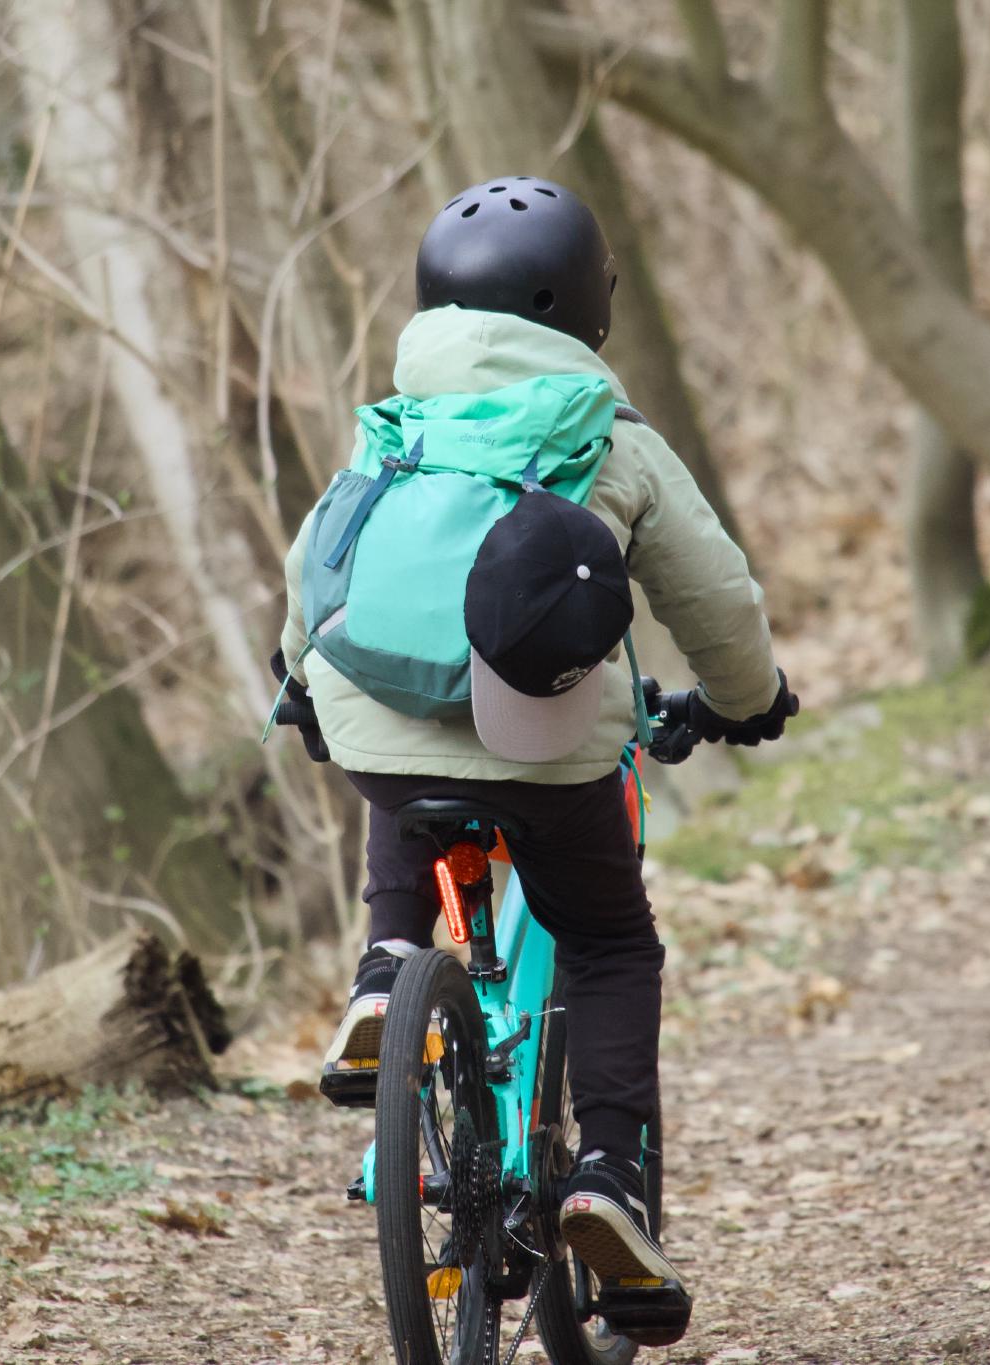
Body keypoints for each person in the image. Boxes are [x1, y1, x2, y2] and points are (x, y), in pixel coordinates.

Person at [270, 175, 796, 1339]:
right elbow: (715, 603)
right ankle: (605, 1179)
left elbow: (318, 564)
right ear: (584, 306)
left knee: (395, 772)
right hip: (549, 747)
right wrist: (741, 702)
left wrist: (297, 688)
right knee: (610, 942)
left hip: (375, 721)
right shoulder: (607, 436)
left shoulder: (393, 423)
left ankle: (385, 968)